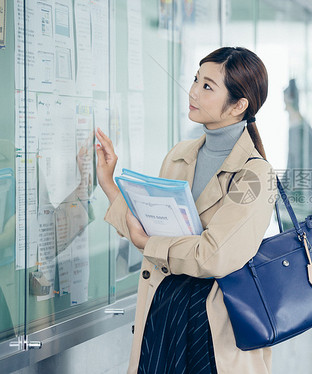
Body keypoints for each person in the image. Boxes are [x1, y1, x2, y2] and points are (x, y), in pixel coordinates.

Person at [95, 47, 277, 374]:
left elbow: (213, 256)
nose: (192, 91)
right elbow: (149, 226)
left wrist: (149, 244)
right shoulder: (180, 155)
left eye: (207, 86)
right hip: (163, 314)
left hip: (211, 330)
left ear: (238, 105)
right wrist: (109, 183)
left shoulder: (256, 175)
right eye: (196, 79)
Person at [282, 79, 312, 225]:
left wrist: (288, 191)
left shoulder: (299, 130)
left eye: (285, 102)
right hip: (302, 194)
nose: (284, 108)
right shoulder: (304, 127)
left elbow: (298, 164)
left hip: (299, 198)